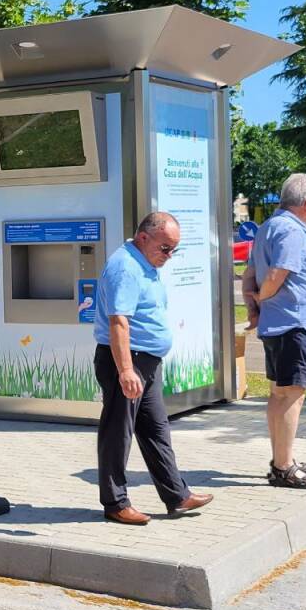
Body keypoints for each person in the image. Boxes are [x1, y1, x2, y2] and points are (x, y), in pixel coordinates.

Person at [93, 212, 213, 525]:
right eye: (165, 248)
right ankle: (115, 503)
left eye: (174, 250)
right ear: (144, 238)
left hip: (145, 362)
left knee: (156, 430)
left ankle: (177, 495)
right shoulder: (126, 268)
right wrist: (126, 371)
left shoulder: (145, 263)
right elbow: (119, 322)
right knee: (117, 433)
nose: (169, 256)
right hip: (127, 360)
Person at [245, 173, 306, 490]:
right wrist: (263, 297)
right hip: (294, 323)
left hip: (278, 323)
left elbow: (250, 273)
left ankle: (282, 459)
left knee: (279, 393)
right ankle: (283, 467)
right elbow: (277, 274)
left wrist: (255, 307)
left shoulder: (268, 227)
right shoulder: (291, 230)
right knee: (293, 394)